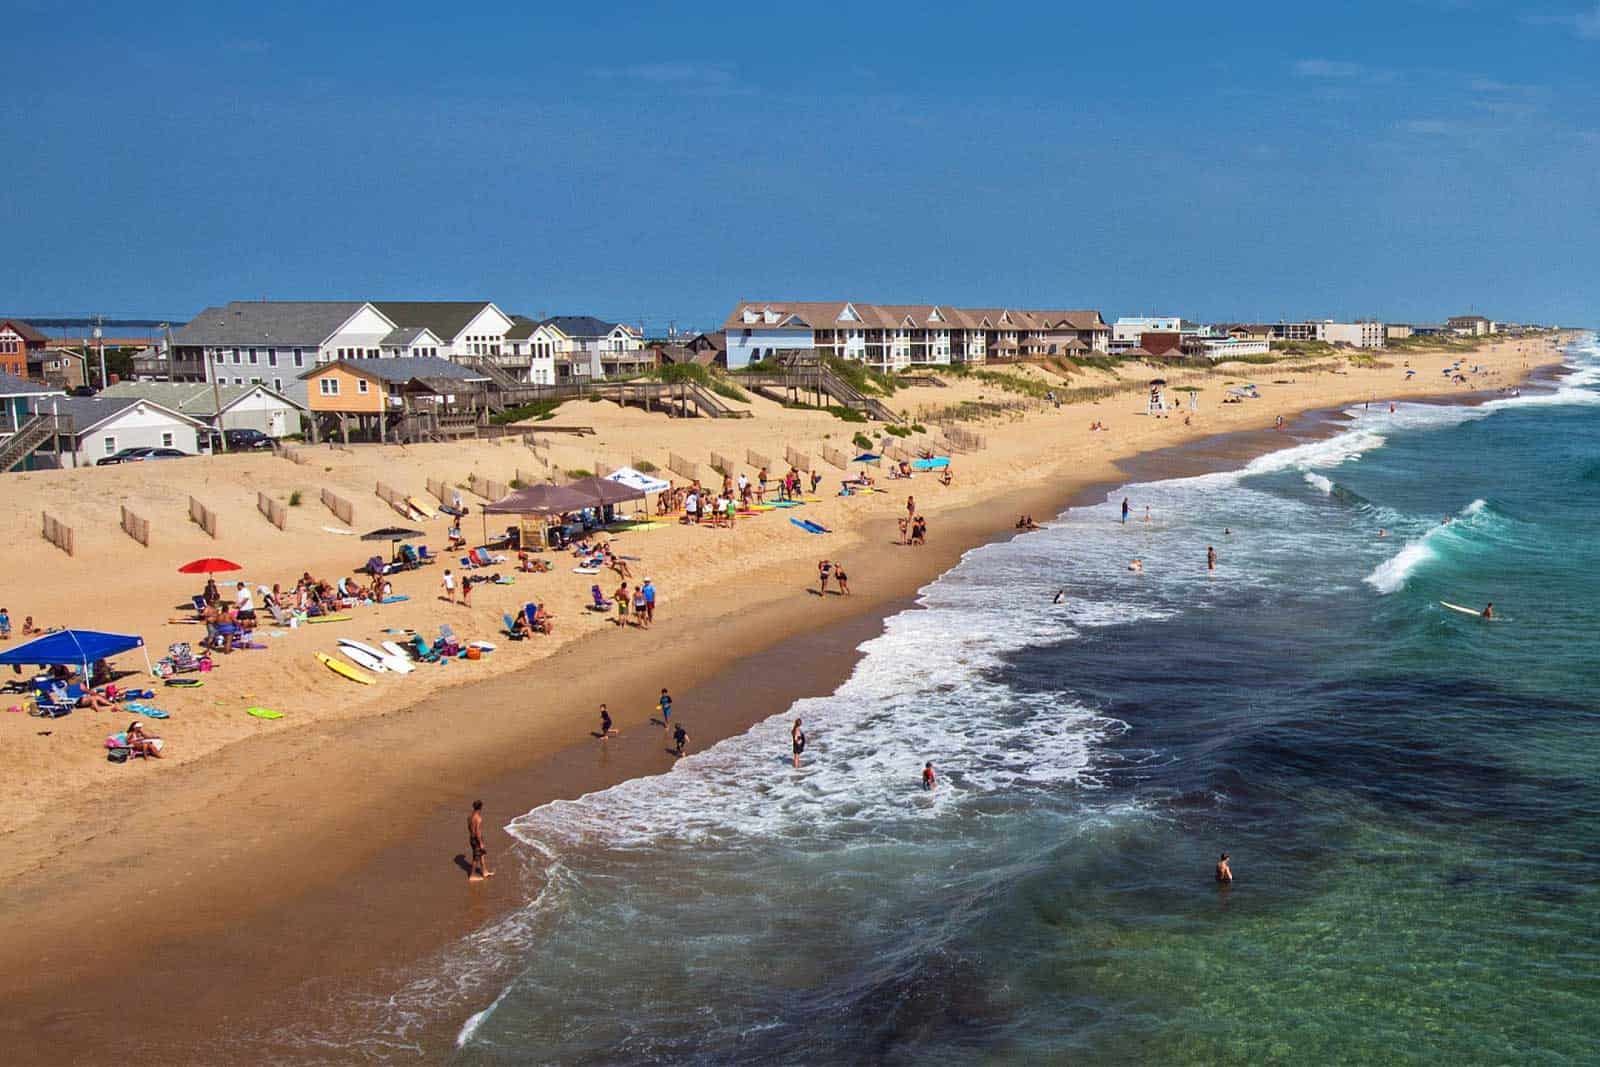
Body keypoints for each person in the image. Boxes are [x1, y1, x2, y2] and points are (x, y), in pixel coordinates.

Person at [468, 800, 493, 882]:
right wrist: (480, 842)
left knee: (482, 855)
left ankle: (484, 871)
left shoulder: (470, 816)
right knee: (476, 858)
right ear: (481, 807)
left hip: (471, 838)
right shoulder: (478, 818)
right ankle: (471, 876)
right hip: (476, 839)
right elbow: (477, 831)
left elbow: (470, 828)